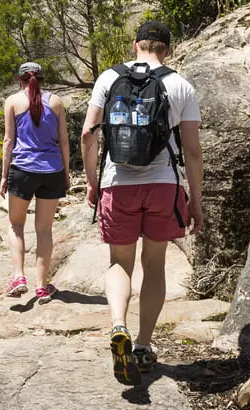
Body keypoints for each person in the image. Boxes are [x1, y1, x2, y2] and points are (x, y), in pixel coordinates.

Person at [80, 20, 204, 385]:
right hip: (163, 184)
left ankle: (118, 324)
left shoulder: (108, 78)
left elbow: (88, 134)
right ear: (168, 49)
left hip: (118, 184)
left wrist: (91, 182)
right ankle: (144, 346)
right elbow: (193, 151)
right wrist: (195, 200)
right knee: (155, 264)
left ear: (134, 45)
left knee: (120, 262)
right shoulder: (179, 84)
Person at [0, 61, 70, 304]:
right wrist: (67, 173)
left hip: (23, 170)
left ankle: (19, 277)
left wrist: (3, 176)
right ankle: (41, 287)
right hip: (52, 170)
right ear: (42, 79)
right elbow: (64, 141)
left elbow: (9, 141)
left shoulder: (12, 102)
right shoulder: (57, 102)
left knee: (16, 225)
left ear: (20, 79)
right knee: (44, 229)